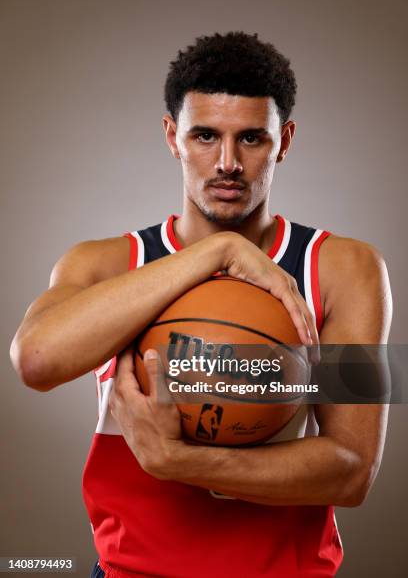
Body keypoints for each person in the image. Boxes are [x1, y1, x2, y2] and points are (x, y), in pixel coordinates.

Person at [10, 32, 392, 578]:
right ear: (173, 136)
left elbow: (352, 471)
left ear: (284, 140)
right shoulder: (106, 262)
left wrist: (182, 462)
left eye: (252, 139)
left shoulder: (343, 269)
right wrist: (219, 249)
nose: (228, 162)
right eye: (206, 136)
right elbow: (36, 360)